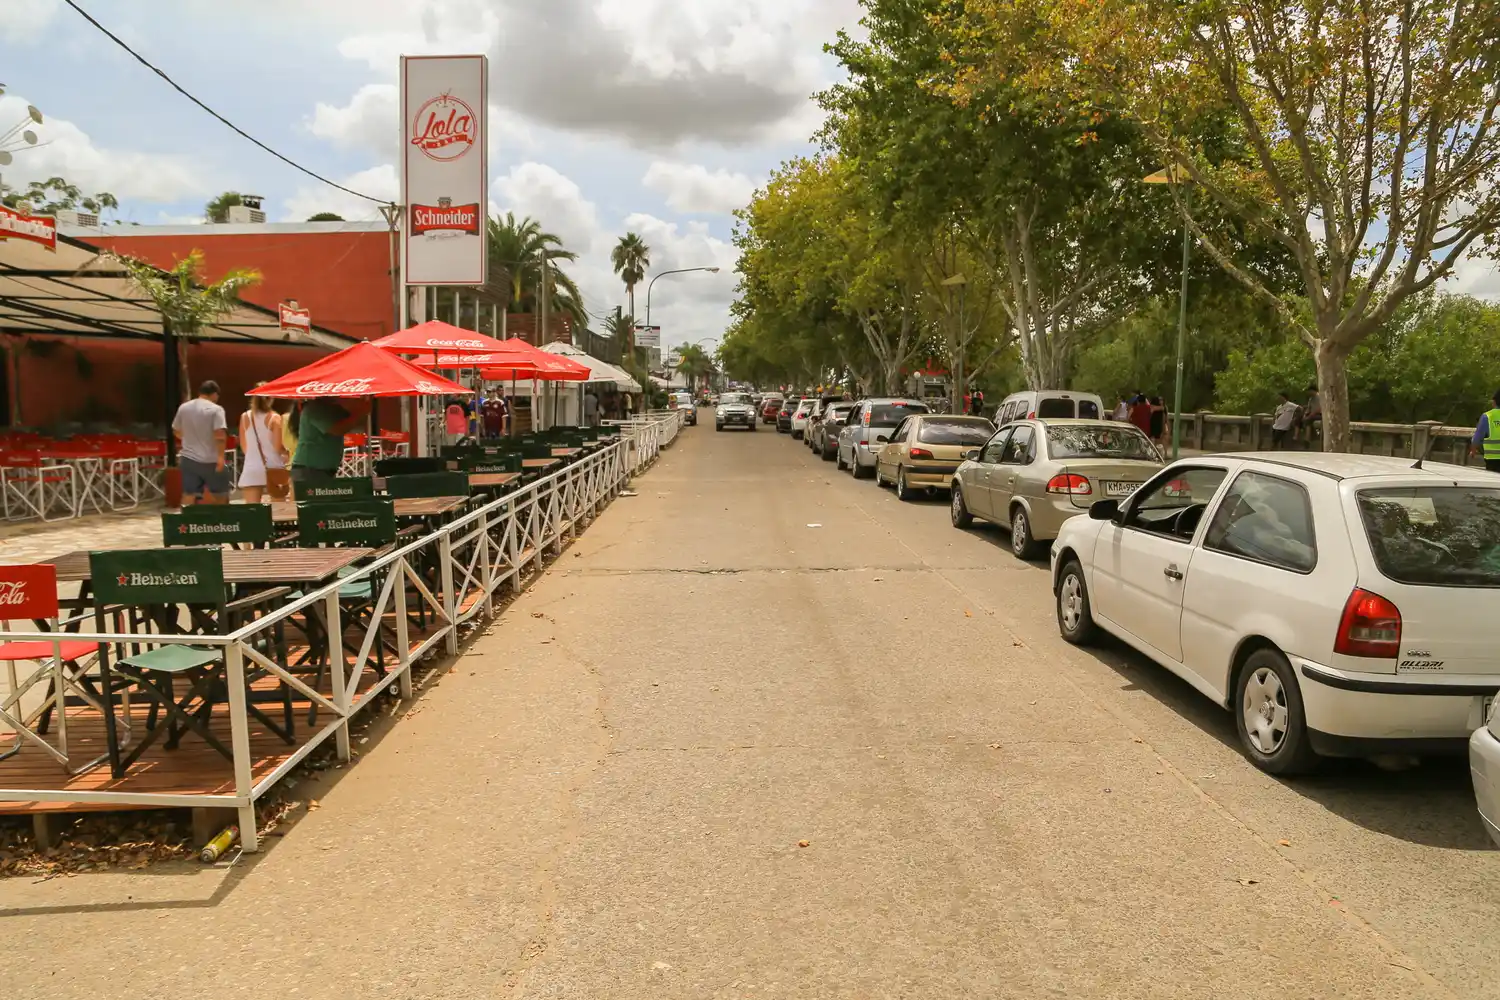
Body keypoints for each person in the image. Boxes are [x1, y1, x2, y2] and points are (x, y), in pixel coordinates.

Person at [172, 380, 229, 505]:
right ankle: (221, 522)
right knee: (220, 494)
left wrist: (188, 439)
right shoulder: (216, 410)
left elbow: (176, 430)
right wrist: (220, 458)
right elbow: (220, 435)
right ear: (214, 394)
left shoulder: (184, 407)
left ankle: (186, 522)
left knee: (189, 493)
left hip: (188, 458)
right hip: (210, 460)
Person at [290, 396, 370, 484]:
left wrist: (360, 406)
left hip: (322, 471)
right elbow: (338, 429)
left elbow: (351, 421)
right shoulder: (314, 409)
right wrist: (360, 412)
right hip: (309, 470)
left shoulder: (334, 409)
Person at [238, 389, 289, 503]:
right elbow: (277, 446)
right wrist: (286, 452)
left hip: (252, 467)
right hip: (274, 467)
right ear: (271, 399)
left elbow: (243, 445)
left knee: (252, 510)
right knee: (278, 511)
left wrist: (253, 455)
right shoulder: (274, 417)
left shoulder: (245, 417)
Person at [1471, 389, 1500, 472]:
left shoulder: (1487, 416)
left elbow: (1477, 438)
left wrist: (1473, 451)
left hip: (1493, 460)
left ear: (1494, 402)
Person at [1301, 381, 1322, 446]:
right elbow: (1308, 408)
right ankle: (1310, 436)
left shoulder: (1319, 397)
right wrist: (1305, 415)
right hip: (1312, 413)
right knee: (1299, 419)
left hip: (1319, 414)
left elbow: (1319, 409)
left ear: (1312, 390)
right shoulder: (1311, 399)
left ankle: (1307, 439)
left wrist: (1309, 416)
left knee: (1308, 420)